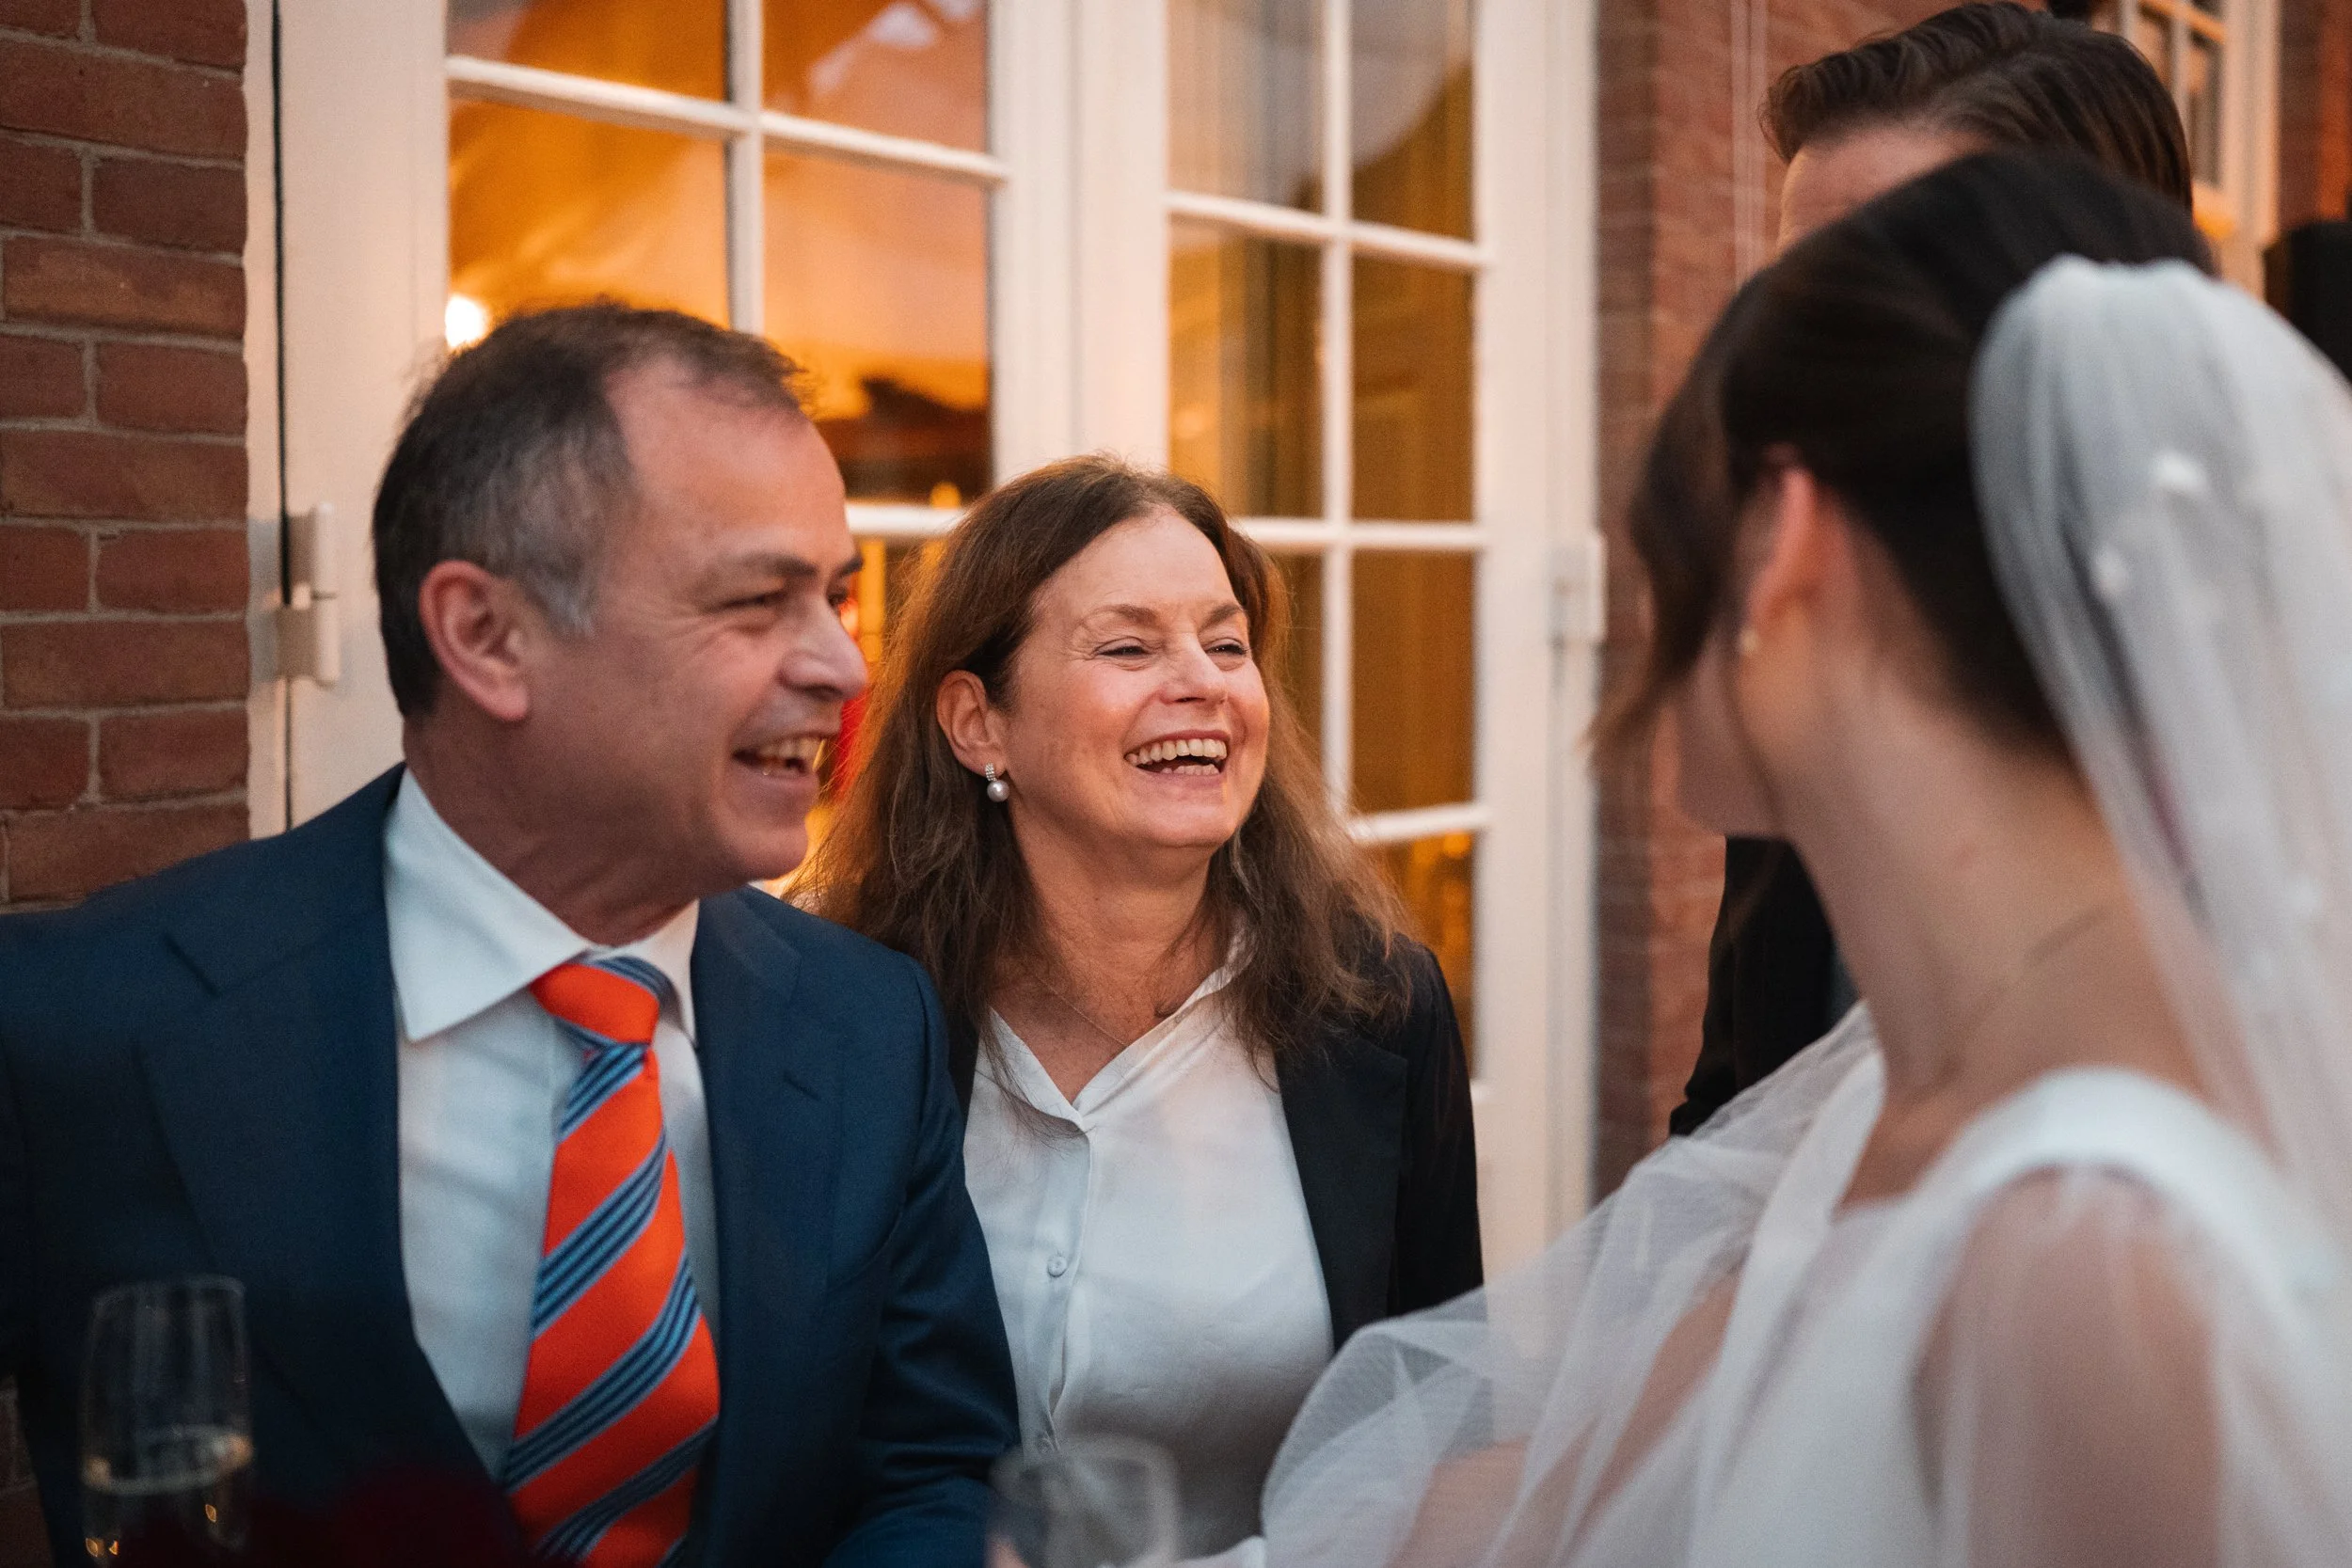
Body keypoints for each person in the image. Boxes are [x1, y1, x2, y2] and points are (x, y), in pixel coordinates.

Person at [1258, 151, 2352, 1564]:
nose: (1641, 626)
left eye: (1658, 540)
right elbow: (1548, 1507)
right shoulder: (1900, 1099)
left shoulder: (2090, 1254)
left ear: (1779, 538)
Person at [0, 306, 1017, 1567]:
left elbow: (929, 1464)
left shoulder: (868, 1024)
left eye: (838, 597)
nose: (846, 668)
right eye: (760, 600)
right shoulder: (82, 1029)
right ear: (487, 635)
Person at [800, 456, 1480, 1558]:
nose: (1204, 681)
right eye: (1128, 645)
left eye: (1227, 643)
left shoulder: (1378, 1009)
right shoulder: (839, 1013)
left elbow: (1439, 1429)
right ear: (978, 723)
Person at [1675, 0, 2196, 1135]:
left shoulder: (2274, 757)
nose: (1805, 367)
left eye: (1880, 304)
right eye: (1794, 303)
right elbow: (1732, 1107)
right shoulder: (1812, 670)